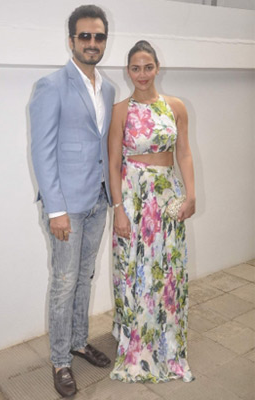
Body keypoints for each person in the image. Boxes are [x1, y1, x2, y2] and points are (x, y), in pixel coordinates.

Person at [29, 5, 114, 398]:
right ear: (71, 41)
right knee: (64, 283)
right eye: (85, 36)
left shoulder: (108, 88)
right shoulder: (51, 85)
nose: (92, 43)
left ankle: (79, 341)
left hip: (99, 200)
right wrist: (56, 209)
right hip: (67, 206)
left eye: (98, 36)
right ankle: (60, 360)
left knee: (85, 276)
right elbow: (42, 151)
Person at [108, 40, 195, 383]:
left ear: (157, 68)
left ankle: (165, 338)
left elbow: (183, 152)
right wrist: (118, 209)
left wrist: (191, 195)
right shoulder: (120, 110)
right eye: (135, 68)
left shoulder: (176, 106)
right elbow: (113, 162)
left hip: (167, 196)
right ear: (128, 71)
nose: (142, 74)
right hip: (133, 198)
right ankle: (135, 339)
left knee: (167, 268)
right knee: (134, 268)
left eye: (147, 67)